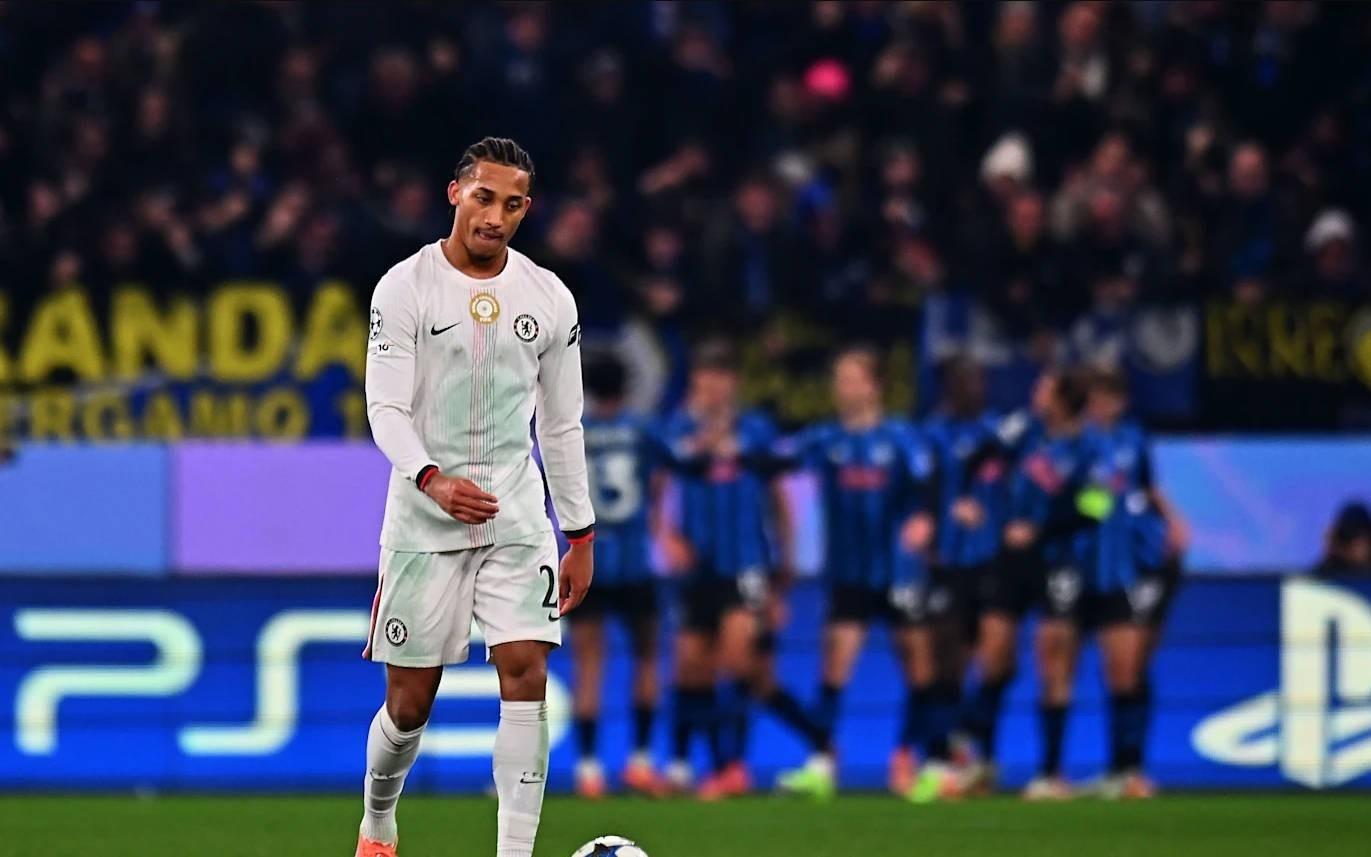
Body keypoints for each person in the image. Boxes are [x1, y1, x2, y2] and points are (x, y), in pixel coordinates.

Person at [358, 137, 595, 857]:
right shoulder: (405, 287)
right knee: (409, 706)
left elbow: (561, 423)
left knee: (527, 671)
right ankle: (378, 822)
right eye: (484, 197)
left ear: (526, 209)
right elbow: (384, 409)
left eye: (512, 204)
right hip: (424, 517)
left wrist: (580, 533)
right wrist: (432, 478)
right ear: (455, 193)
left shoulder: (549, 297)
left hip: (516, 512)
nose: (495, 216)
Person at [773, 346, 936, 802]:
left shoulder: (901, 439)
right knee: (834, 666)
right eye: (838, 379)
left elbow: (928, 488)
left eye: (850, 379)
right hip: (849, 573)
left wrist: (924, 519)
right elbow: (776, 460)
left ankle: (907, 757)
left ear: (874, 386)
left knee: (919, 666)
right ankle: (823, 762)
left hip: (899, 571)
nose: (841, 388)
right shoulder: (826, 439)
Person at [656, 341, 791, 799]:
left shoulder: (757, 431)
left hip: (746, 563)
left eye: (718, 380)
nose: (710, 389)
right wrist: (666, 534)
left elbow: (779, 498)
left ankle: (732, 765)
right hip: (697, 565)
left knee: (737, 660)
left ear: (733, 384)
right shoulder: (679, 431)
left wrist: (785, 563)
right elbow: (659, 484)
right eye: (702, 380)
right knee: (690, 667)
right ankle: (687, 766)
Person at [921, 355, 1028, 797]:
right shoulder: (931, 435)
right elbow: (916, 488)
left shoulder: (1002, 432)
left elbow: (1030, 478)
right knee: (949, 664)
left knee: (1001, 659)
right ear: (947, 386)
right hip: (949, 561)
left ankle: (969, 736)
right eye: (964, 380)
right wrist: (935, 516)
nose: (974, 387)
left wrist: (1017, 519)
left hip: (997, 559)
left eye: (978, 379)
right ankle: (952, 759)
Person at [1079, 365, 1187, 798]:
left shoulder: (1134, 439)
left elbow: (1149, 487)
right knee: (1117, 670)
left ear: (1121, 402)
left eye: (1108, 397)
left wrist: (1175, 521)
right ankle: (1119, 767)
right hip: (1097, 566)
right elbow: (1086, 502)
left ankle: (1131, 767)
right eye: (1094, 397)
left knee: (1132, 666)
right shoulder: (1080, 442)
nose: (1101, 405)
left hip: (1143, 564)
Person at [570, 352, 667, 798]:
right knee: (646, 657)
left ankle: (588, 769)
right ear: (626, 387)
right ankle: (641, 761)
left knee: (589, 665)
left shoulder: (577, 431)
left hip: (588, 560)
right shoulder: (643, 431)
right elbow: (661, 477)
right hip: (633, 561)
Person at [1003, 367, 1102, 801]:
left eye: (1044, 388)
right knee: (994, 656)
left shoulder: (1091, 449)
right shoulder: (1026, 435)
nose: (1035, 392)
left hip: (1062, 561)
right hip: (1012, 559)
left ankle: (1050, 771)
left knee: (1054, 658)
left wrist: (1040, 530)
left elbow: (1096, 508)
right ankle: (973, 756)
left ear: (1062, 398)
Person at [1314, 502, 1371, 578]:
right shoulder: (1330, 571)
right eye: (1349, 537)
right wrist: (1331, 548)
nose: (1355, 545)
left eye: (1360, 537)